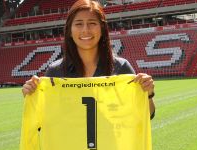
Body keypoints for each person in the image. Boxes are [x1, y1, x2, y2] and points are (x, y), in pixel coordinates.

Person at [21, 0, 155, 119]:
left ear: (102, 28)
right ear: (70, 30)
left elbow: (146, 115)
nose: (85, 30)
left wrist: (147, 94)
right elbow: (44, 119)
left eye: (92, 23)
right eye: (79, 24)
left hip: (112, 146)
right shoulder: (56, 71)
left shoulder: (121, 67)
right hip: (70, 146)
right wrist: (31, 96)